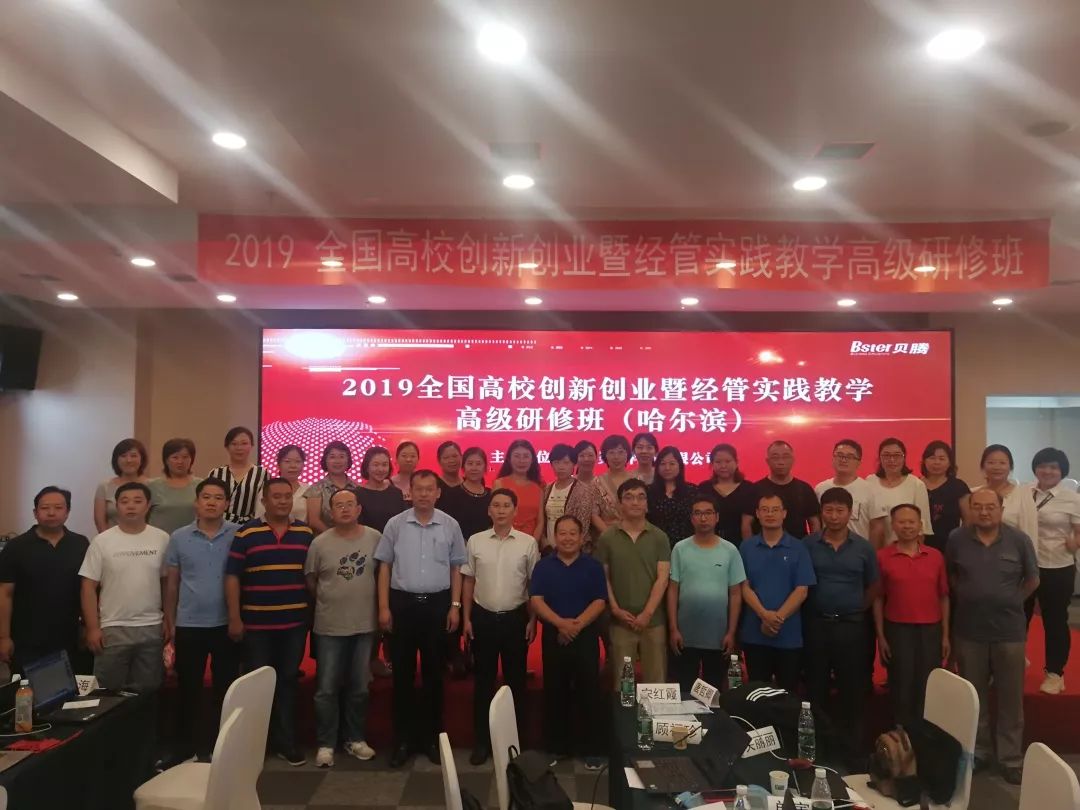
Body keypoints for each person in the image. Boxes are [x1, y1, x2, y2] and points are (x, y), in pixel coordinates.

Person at [947, 488, 1039, 785]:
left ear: (1001, 508)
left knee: (1011, 698)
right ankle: (979, 752)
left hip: (1009, 631)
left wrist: (1011, 600)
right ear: (971, 509)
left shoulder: (1019, 540)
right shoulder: (957, 539)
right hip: (969, 630)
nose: (984, 512)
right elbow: (951, 575)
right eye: (978, 507)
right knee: (975, 697)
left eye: (990, 507)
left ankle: (1010, 759)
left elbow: (1033, 579)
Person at [375, 469, 466, 768]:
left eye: (429, 489)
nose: (424, 494)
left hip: (438, 606)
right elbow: (385, 567)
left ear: (438, 493)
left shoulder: (450, 524)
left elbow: (456, 568)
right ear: (409, 492)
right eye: (419, 489)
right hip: (402, 605)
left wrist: (455, 606)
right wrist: (384, 607)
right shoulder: (395, 524)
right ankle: (402, 741)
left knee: (434, 676)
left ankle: (431, 739)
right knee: (401, 676)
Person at [226, 478, 314, 767]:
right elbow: (232, 577)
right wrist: (235, 617)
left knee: (288, 682)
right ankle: (254, 745)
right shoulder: (246, 533)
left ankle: (285, 742)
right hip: (256, 625)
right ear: (264, 501)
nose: (283, 501)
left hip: (294, 624)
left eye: (287, 496)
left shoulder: (305, 533)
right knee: (257, 685)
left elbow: (311, 577)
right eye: (276, 496)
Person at [163, 478, 241, 762]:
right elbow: (172, 584)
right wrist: (170, 622)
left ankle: (222, 747)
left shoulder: (238, 534)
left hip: (225, 623)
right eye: (206, 497)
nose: (211, 502)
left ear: (227, 504)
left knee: (226, 688)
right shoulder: (179, 537)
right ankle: (187, 747)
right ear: (196, 502)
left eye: (218, 498)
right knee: (189, 689)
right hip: (189, 624)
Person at [461, 488, 539, 765]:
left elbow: (533, 585)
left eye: (507, 505)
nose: (501, 510)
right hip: (483, 618)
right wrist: (466, 618)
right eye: (496, 505)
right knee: (483, 682)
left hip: (515, 619)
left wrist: (533, 619)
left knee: (515, 682)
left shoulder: (528, 543)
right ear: (489, 511)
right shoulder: (476, 541)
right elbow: (468, 581)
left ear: (515, 511)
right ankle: (482, 742)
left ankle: (515, 743)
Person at [802, 487, 879, 764]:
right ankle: (818, 753)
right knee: (816, 690)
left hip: (852, 628)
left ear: (850, 513)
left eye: (840, 510)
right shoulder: (807, 544)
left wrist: (855, 607)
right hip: (816, 625)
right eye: (828, 510)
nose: (834, 516)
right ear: (821, 512)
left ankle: (853, 755)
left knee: (853, 691)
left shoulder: (864, 547)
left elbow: (873, 586)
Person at [306, 488, 380, 768]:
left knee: (359, 687)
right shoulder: (319, 544)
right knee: (326, 688)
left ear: (359, 509)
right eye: (339, 505)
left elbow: (382, 575)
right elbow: (312, 581)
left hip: (364, 625)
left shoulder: (375, 538)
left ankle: (355, 739)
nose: (345, 509)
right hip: (329, 626)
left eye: (350, 504)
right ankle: (326, 743)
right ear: (330, 511)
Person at [530, 515, 608, 769]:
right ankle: (556, 747)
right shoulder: (543, 566)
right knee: (555, 691)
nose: (567, 538)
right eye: (562, 533)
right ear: (555, 537)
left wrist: (576, 625)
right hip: (554, 636)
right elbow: (536, 600)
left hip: (585, 636)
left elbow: (599, 601)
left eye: (573, 533)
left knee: (589, 692)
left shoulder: (593, 566)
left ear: (582, 537)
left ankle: (592, 749)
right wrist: (560, 624)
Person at [80, 482, 169, 693]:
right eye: (124, 501)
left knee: (147, 692)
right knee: (107, 693)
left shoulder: (162, 538)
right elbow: (88, 587)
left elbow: (167, 582)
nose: (131, 506)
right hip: (112, 628)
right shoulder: (102, 541)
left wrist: (168, 618)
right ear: (116, 506)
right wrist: (92, 628)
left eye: (138, 501)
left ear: (148, 505)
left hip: (151, 627)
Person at [875, 504, 950, 729]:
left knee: (928, 684)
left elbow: (943, 597)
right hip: (897, 629)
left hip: (931, 629)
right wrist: (881, 636)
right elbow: (878, 598)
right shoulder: (882, 557)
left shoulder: (935, 556)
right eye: (901, 522)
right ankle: (901, 735)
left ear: (920, 525)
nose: (907, 526)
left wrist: (945, 635)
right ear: (893, 525)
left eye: (911, 522)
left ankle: (925, 737)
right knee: (901, 684)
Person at [0, 487, 90, 674]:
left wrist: (88, 627)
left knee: (69, 688)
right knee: (27, 690)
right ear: (35, 513)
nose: (51, 512)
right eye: (45, 508)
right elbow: (4, 594)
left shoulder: (81, 544)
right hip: (26, 639)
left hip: (68, 636)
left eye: (58, 507)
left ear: (67, 512)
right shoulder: (16, 547)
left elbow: (86, 589)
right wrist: (3, 637)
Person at [667, 495, 745, 692]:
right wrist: (673, 629)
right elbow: (673, 590)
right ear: (691, 518)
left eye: (708, 513)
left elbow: (736, 594)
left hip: (719, 636)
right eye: (698, 513)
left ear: (717, 517)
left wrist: (731, 632)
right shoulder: (680, 549)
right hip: (685, 635)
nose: (703, 518)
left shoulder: (730, 550)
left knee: (714, 692)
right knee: (685, 690)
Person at [596, 478, 671, 682]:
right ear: (619, 504)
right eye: (628, 497)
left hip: (653, 621)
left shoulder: (659, 537)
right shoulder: (607, 537)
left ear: (647, 503)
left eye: (640, 497)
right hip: (621, 621)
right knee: (623, 683)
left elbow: (663, 579)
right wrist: (615, 609)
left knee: (656, 682)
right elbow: (604, 578)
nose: (635, 502)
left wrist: (647, 613)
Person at [738, 494, 816, 691]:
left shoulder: (799, 547)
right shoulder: (747, 547)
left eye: (775, 510)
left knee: (787, 694)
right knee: (756, 693)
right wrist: (764, 615)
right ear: (757, 514)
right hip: (754, 633)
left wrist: (776, 619)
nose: (770, 514)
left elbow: (802, 590)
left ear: (784, 513)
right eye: (765, 510)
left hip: (788, 635)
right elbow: (744, 587)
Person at [1026, 447, 1080, 695]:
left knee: (1055, 620)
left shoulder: (1072, 498)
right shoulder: (1024, 492)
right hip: (1025, 566)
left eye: (1053, 467)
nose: (1047, 471)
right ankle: (1014, 661)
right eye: (1043, 466)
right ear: (1035, 468)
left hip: (1058, 566)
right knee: (1018, 617)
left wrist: (1075, 542)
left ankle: (1055, 673)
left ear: (1062, 471)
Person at [743, 440, 820, 539]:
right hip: (763, 546)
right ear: (767, 461)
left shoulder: (805, 489)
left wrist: (812, 545)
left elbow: (814, 523)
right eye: (775, 458)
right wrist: (750, 546)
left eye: (785, 457)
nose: (781, 462)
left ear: (793, 460)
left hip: (798, 546)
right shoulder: (755, 489)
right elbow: (746, 524)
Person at [867, 438, 933, 547]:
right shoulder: (870, 481)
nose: (892, 460)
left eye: (897, 455)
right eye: (886, 455)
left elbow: (922, 528)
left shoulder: (916, 485)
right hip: (874, 548)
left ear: (904, 458)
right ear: (880, 458)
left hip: (904, 549)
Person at [537, 444, 600, 554]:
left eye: (566, 462)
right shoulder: (547, 489)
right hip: (549, 550)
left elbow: (583, 526)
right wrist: (545, 544)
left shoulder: (583, 491)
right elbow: (542, 520)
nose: (561, 467)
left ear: (574, 464)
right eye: (557, 462)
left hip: (573, 550)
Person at [973, 444, 1038, 542]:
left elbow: (1030, 533)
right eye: (991, 462)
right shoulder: (973, 493)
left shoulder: (1023, 494)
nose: (996, 467)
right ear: (983, 466)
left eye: (1002, 463)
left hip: (1013, 550)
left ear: (1010, 467)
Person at [814, 439, 874, 539]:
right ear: (833, 458)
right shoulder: (820, 488)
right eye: (839, 455)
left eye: (849, 457)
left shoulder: (870, 490)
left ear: (859, 462)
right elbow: (817, 523)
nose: (843, 460)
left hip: (859, 547)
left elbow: (877, 526)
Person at [208, 427, 269, 525]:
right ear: (227, 447)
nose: (239, 448)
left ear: (251, 445)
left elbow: (265, 504)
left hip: (251, 526)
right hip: (220, 525)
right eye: (234, 444)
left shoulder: (262, 473)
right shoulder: (216, 473)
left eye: (244, 443)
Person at [698, 443, 755, 545]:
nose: (723, 466)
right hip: (709, 543)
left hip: (739, 544)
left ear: (736, 462)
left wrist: (747, 549)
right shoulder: (704, 488)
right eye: (718, 462)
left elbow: (746, 526)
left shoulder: (748, 488)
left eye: (728, 461)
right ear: (712, 464)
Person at [920, 441, 972, 553]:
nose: (936, 462)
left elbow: (969, 521)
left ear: (950, 462)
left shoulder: (959, 486)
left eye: (942, 458)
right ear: (924, 461)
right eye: (932, 458)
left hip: (950, 547)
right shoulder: (915, 484)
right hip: (919, 546)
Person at [436, 447, 493, 542]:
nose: (474, 468)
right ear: (463, 467)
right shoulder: (451, 495)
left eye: (478, 464)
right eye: (470, 464)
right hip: (458, 546)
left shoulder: (491, 495)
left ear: (485, 467)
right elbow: (445, 526)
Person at [493, 439, 544, 543]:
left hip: (530, 543)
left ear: (532, 460)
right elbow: (494, 516)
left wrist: (533, 544)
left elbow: (540, 522)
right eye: (517, 456)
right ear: (509, 459)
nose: (521, 461)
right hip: (504, 541)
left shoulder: (539, 488)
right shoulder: (499, 484)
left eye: (526, 456)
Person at [148, 438, 203, 535]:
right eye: (175, 457)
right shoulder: (152, 486)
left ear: (192, 459)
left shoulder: (201, 485)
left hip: (192, 538)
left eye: (185, 457)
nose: (180, 461)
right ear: (166, 460)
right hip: (158, 540)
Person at [94, 438, 149, 532]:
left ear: (142, 459)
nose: (129, 460)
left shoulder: (152, 485)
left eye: (133, 456)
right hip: (112, 538)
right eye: (123, 456)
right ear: (116, 460)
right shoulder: (105, 486)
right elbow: (100, 522)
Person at [647, 446, 696, 550]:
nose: (667, 468)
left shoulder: (692, 491)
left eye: (672, 464)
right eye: (662, 464)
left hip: (686, 547)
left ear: (680, 466)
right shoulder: (648, 491)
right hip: (655, 546)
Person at [306, 441, 360, 533]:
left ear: (348, 460)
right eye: (332, 457)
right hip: (325, 538)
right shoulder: (316, 489)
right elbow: (314, 521)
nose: (337, 461)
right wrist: (335, 537)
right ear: (325, 460)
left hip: (355, 537)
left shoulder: (357, 488)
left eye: (342, 456)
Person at [356, 446, 407, 532]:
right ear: (367, 467)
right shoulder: (357, 494)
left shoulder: (396, 493)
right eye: (375, 465)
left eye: (384, 465)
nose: (380, 469)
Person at [593, 434, 633, 532]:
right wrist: (610, 536)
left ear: (627, 454)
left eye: (621, 452)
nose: (616, 457)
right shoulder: (597, 482)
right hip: (607, 535)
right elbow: (594, 514)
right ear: (605, 455)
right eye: (611, 452)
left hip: (634, 533)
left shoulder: (637, 480)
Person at [275, 444, 311, 521]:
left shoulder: (308, 489)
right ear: (278, 465)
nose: (293, 466)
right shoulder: (268, 489)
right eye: (287, 461)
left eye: (298, 461)